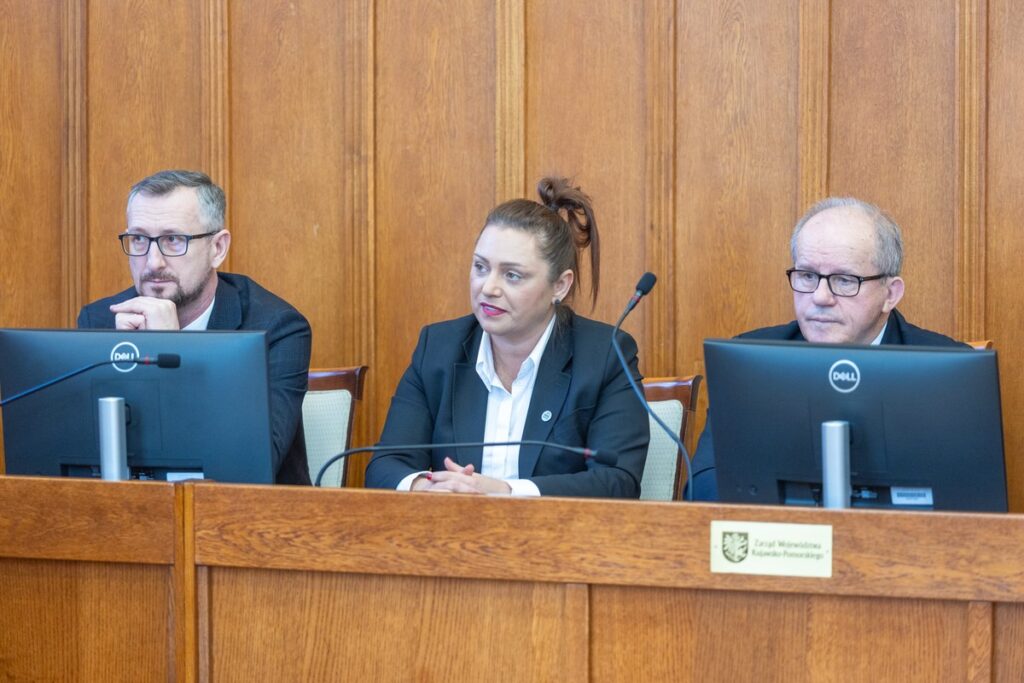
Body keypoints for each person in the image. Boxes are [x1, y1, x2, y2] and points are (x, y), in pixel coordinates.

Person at [365, 177, 649, 497]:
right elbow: (385, 465)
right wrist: (426, 487)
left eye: (512, 275)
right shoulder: (438, 349)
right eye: (481, 267)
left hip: (559, 541)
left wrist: (505, 492)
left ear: (560, 285)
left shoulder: (604, 356)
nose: (489, 288)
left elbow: (617, 481)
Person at [691, 197, 968, 500]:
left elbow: (970, 500)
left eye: (844, 280)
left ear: (890, 294)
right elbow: (705, 487)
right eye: (808, 276)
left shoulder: (949, 371)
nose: (820, 296)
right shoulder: (748, 361)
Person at [77, 170, 313, 484]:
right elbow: (80, 462)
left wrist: (172, 353)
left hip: (243, 521)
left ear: (218, 248)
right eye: (139, 239)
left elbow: (251, 465)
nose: (153, 262)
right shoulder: (101, 322)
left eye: (173, 240)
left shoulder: (275, 329)